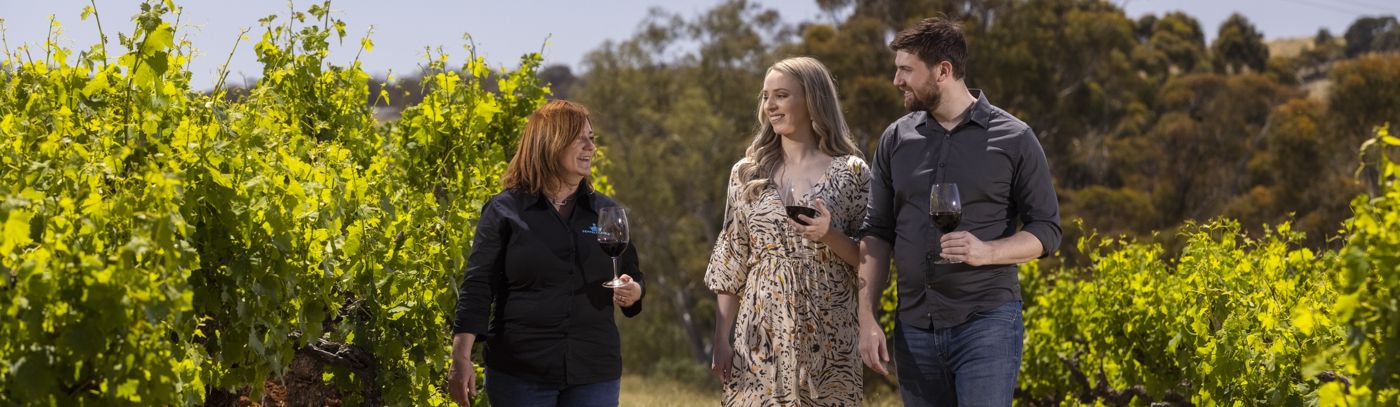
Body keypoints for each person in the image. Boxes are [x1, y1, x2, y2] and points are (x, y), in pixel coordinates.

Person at [855, 16, 1062, 406]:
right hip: (914, 328)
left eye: (906, 70)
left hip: (987, 324)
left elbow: (1047, 230)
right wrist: (866, 320)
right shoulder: (895, 139)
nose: (897, 80)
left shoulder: (1015, 138)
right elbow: (876, 234)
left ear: (943, 71)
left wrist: (989, 252)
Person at [447, 100, 645, 407]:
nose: (590, 147)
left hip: (594, 371)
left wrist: (633, 291)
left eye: (592, 138)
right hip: (520, 375)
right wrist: (460, 357)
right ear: (550, 142)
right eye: (580, 138)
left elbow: (631, 274)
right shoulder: (504, 210)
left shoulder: (605, 211)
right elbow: (477, 287)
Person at [706, 56, 870, 406]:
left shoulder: (852, 172)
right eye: (766, 97)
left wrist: (830, 236)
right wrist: (722, 337)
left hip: (830, 335)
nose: (770, 106)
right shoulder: (746, 174)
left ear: (812, 99)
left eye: (781, 95)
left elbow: (871, 259)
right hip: (758, 333)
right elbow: (732, 258)